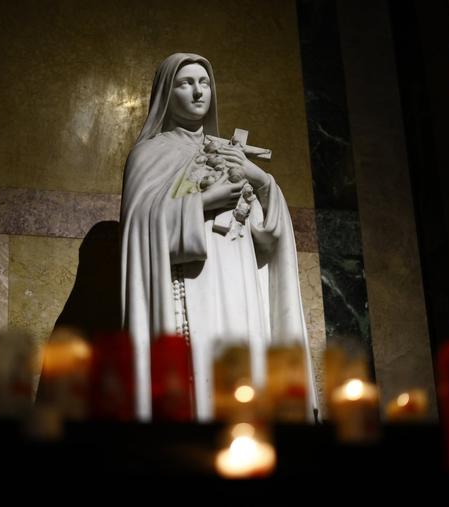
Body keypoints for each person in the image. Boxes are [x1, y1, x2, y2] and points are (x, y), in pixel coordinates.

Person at [120, 53, 317, 421]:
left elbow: (267, 237)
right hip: (191, 285)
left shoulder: (232, 151)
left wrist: (261, 181)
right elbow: (140, 232)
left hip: (239, 282)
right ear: (167, 92)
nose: (198, 92)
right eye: (186, 83)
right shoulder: (149, 154)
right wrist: (203, 203)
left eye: (204, 83)